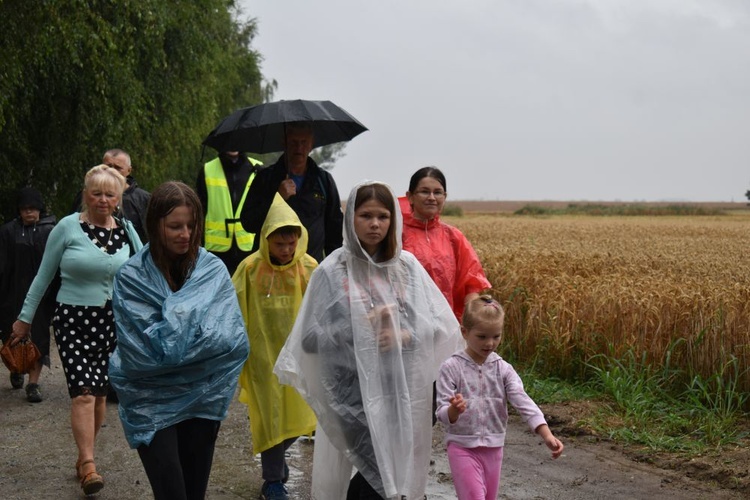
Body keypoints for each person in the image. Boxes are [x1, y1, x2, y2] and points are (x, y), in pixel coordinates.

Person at [274, 181, 463, 499]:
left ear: (393, 221)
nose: (375, 224)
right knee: (376, 471)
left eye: (383, 216)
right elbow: (308, 339)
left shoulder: (407, 269)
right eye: (365, 215)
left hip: (400, 391)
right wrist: (360, 332)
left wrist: (403, 335)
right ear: (351, 219)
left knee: (394, 474)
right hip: (352, 395)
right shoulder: (333, 272)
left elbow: (437, 328)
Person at [109, 181, 249, 500]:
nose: (185, 233)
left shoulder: (212, 270)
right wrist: (191, 320)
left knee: (194, 492)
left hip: (203, 395)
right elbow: (142, 354)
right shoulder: (132, 278)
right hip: (149, 398)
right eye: (175, 226)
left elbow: (231, 341)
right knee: (172, 491)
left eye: (191, 225)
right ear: (155, 224)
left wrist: (172, 325)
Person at [10, 165, 142, 496]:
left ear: (118, 198)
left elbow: (145, 271)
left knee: (98, 396)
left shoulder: (126, 230)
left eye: (109, 194)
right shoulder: (67, 228)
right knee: (83, 393)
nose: (102, 199)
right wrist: (24, 318)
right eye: (95, 193)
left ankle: (86, 456)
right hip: (73, 320)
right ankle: (87, 463)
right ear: (85, 194)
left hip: (112, 323)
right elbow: (42, 277)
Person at [232, 193, 318, 500]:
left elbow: (321, 310)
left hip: (299, 358)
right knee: (270, 417)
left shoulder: (308, 268)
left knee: (300, 416)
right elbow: (235, 308)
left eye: (291, 244)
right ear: (266, 239)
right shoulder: (250, 269)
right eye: (279, 244)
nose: (286, 251)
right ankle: (272, 481)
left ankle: (276, 463)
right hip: (262, 358)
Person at [436, 295, 564, 500]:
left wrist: (546, 434)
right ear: (465, 332)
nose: (490, 343)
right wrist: (453, 410)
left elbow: (523, 401)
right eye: (482, 336)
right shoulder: (451, 368)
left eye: (496, 336)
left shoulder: (503, 369)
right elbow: (441, 411)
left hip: (494, 448)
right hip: (462, 447)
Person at [240, 122, 344, 263]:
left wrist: (336, 267)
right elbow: (249, 223)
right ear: (284, 143)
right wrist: (278, 198)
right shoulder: (265, 178)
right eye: (294, 142)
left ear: (311, 144)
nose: (299, 148)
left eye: (304, 142)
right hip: (270, 271)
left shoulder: (323, 181)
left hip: (311, 271)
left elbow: (334, 232)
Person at [402, 166, 491, 322]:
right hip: (407, 326)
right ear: (410, 197)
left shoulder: (453, 236)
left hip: (448, 326)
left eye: (437, 192)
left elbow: (471, 283)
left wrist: (472, 322)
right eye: (424, 191)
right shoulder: (396, 234)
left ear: (445, 196)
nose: (431, 197)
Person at [0, 187, 57, 401]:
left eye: (33, 209)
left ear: (40, 210)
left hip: (42, 296)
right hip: (11, 295)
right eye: (25, 209)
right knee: (11, 335)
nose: (29, 213)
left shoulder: (50, 231)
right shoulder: (7, 231)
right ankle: (15, 369)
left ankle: (33, 384)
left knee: (39, 338)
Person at [196, 150, 262, 274]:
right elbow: (199, 212)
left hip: (250, 248)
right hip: (215, 250)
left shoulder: (258, 169)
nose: (234, 146)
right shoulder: (207, 170)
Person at [71, 149, 151, 243]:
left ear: (129, 170)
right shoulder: (87, 195)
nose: (112, 171)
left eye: (118, 168)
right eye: (108, 166)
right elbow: (73, 228)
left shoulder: (143, 199)